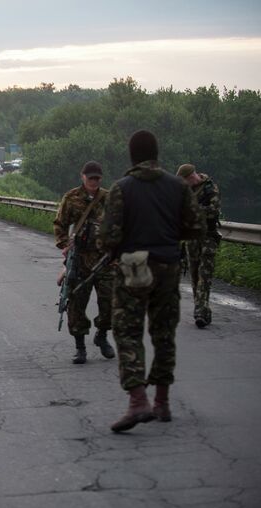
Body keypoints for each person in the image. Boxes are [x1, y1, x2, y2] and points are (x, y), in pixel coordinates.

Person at [98, 130, 203, 433]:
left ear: (132, 156)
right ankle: (162, 402)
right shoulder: (178, 187)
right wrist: (168, 237)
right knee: (164, 333)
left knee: (128, 331)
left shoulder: (121, 189)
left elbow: (108, 237)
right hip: (169, 265)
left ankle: (137, 400)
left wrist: (123, 245)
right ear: (157, 154)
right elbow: (196, 227)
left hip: (134, 267)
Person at [53, 161, 116, 364]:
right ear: (83, 177)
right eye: (91, 178)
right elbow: (59, 225)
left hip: (105, 260)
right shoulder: (71, 198)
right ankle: (80, 348)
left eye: (97, 178)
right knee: (76, 307)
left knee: (110, 304)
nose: (94, 182)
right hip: (80, 261)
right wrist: (65, 245)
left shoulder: (108, 198)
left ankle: (102, 336)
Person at [176, 164, 222, 328]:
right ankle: (202, 309)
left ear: (190, 177)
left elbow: (214, 210)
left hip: (208, 236)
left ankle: (200, 312)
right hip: (191, 238)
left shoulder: (210, 187)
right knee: (194, 275)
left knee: (205, 275)